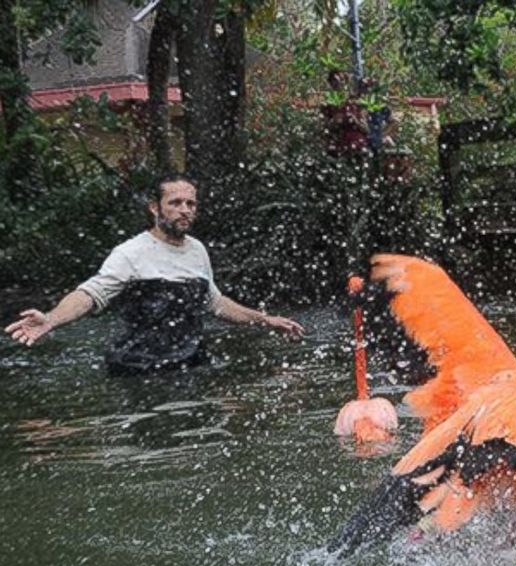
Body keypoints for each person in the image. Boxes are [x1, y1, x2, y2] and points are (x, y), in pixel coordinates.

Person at [4, 174, 304, 374]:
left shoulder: (198, 250)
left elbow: (216, 303)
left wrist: (266, 320)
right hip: (139, 369)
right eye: (175, 203)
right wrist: (52, 319)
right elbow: (90, 294)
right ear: (154, 208)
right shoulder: (131, 252)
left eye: (191, 203)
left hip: (189, 363)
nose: (184, 210)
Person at [322, 70, 370, 157]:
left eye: (342, 80)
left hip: (359, 147)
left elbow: (366, 129)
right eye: (335, 82)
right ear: (331, 85)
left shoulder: (355, 102)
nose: (339, 84)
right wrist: (335, 121)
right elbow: (325, 130)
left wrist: (355, 120)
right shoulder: (328, 105)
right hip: (340, 149)